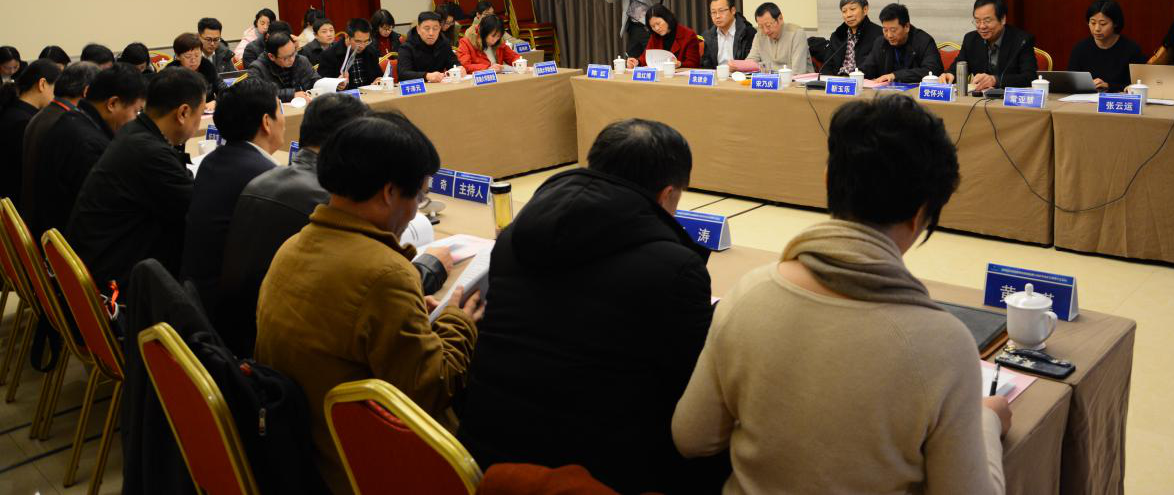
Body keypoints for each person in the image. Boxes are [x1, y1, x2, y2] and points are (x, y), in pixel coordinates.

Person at [672, 97, 1008, 495]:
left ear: (828, 179)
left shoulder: (749, 292)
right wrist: (987, 421)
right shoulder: (944, 343)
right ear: (921, 213)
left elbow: (692, 437)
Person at [459, 119, 720, 494]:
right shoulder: (675, 269)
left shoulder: (514, 236)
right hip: (594, 478)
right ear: (667, 195)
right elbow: (693, 390)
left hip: (483, 459)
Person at [255, 113, 481, 495]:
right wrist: (459, 321)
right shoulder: (384, 274)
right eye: (419, 197)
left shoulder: (292, 246)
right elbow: (431, 388)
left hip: (296, 451)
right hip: (358, 467)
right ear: (390, 192)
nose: (416, 209)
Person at [216, 94, 374, 355]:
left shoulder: (262, 180)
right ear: (349, 144)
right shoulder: (329, 203)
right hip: (275, 348)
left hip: (234, 331)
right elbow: (361, 288)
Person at [68, 65, 205, 294]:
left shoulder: (135, 132)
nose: (198, 123)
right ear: (183, 113)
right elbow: (197, 211)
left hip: (98, 260)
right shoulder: (149, 152)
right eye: (199, 115)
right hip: (114, 283)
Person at [181, 77, 284, 314]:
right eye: (280, 109)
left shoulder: (212, 160)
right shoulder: (266, 178)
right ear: (266, 122)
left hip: (197, 297)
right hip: (230, 312)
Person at [33, 64, 144, 236]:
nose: (135, 120)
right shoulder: (88, 143)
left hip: (55, 229)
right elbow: (107, 210)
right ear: (112, 103)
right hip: (73, 240)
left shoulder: (73, 119)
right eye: (136, 112)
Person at [20, 61, 98, 226]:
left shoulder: (44, 114)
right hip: (55, 225)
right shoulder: (68, 124)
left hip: (35, 217)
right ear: (87, 91)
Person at [940, 0, 1037, 91]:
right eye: (977, 21)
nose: (982, 26)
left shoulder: (1022, 41)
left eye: (987, 20)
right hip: (979, 97)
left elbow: (1030, 77)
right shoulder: (971, 39)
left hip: (1009, 97)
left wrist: (995, 80)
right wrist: (950, 75)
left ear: (1002, 19)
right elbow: (959, 65)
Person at [0, 59, 60, 205]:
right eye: (56, 89)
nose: (58, 96)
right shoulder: (23, 122)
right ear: (42, 84)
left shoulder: (17, 112)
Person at [1066, 0, 1147, 92]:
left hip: (1118, 98)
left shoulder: (1132, 50)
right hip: (1086, 99)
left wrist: (1109, 86)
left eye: (1103, 24)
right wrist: (1087, 85)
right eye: (1092, 23)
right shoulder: (1080, 49)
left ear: (1115, 23)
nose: (1097, 28)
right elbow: (1070, 83)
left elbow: (1140, 84)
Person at [860, 3, 943, 83]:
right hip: (887, 91)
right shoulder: (880, 42)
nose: (889, 35)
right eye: (885, 30)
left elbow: (932, 71)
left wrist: (895, 76)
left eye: (893, 30)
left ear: (907, 27)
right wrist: (858, 74)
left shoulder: (924, 41)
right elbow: (868, 67)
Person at [820, 0, 884, 75]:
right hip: (837, 80)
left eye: (852, 9)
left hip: (863, 80)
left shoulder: (879, 35)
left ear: (865, 10)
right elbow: (826, 66)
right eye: (844, 11)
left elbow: (877, 67)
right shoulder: (837, 36)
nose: (848, 15)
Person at [737, 2, 811, 75]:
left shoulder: (796, 34)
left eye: (768, 25)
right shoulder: (759, 36)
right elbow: (751, 61)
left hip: (796, 81)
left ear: (780, 19)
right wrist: (737, 66)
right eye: (761, 27)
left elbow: (798, 72)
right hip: (770, 80)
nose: (765, 31)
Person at [249, 30, 318, 103]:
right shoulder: (257, 69)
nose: (292, 59)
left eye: (293, 53)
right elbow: (257, 94)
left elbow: (314, 79)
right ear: (271, 56)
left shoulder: (301, 60)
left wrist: (320, 85)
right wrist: (291, 95)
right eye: (286, 58)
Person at [318, 19, 382, 89]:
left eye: (366, 41)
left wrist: (378, 80)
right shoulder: (329, 55)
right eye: (358, 41)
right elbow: (322, 85)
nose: (362, 46)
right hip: (344, 94)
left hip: (369, 92)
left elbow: (378, 75)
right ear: (347, 37)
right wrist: (336, 84)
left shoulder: (371, 51)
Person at [397, 12, 460, 82]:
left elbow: (453, 63)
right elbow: (403, 74)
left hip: (440, 86)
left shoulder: (444, 43)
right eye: (427, 29)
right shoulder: (406, 47)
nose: (431, 33)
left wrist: (459, 67)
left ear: (439, 29)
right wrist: (426, 76)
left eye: (435, 29)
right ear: (418, 29)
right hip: (418, 87)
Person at [700, 0, 755, 70]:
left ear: (733, 10)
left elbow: (751, 63)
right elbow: (706, 65)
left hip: (740, 75)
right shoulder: (708, 36)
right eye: (713, 12)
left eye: (721, 11)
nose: (717, 16)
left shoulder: (748, 33)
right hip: (717, 76)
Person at [637, 4, 701, 69]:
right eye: (653, 26)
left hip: (681, 74)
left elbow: (694, 63)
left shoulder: (688, 35)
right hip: (661, 74)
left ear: (667, 18)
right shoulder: (654, 37)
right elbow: (646, 58)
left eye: (658, 23)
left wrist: (680, 64)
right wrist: (637, 62)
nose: (657, 28)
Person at [173, 32, 218, 105]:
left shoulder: (209, 68)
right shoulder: (170, 76)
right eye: (188, 56)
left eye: (197, 55)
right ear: (178, 56)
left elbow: (225, 92)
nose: (193, 60)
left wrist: (216, 101)